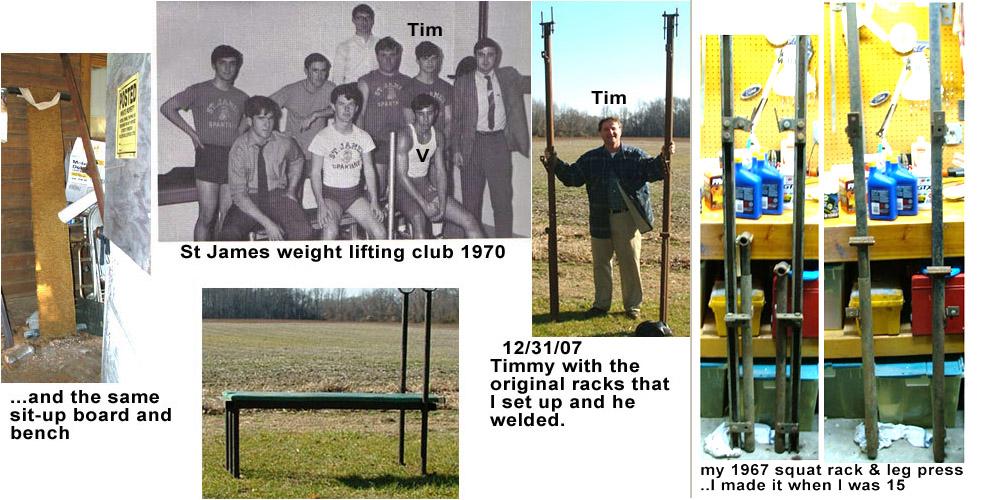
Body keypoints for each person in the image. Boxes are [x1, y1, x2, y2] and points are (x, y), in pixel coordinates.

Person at [541, 117, 673, 320]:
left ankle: (632, 306)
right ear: (600, 133)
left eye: (613, 129)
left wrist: (665, 156)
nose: (610, 133)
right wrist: (554, 163)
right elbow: (572, 177)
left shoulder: (634, 156)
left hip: (626, 219)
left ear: (620, 131)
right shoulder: (591, 158)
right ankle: (601, 304)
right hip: (599, 217)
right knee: (601, 263)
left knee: (629, 263)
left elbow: (654, 170)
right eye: (605, 129)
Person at [160, 44, 249, 240]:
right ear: (214, 65)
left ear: (237, 67)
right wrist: (192, 133)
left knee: (226, 217)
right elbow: (167, 108)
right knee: (207, 217)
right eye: (223, 63)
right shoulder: (198, 90)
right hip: (208, 155)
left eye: (232, 64)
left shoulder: (241, 97)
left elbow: (250, 122)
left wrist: (240, 133)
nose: (227, 68)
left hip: (232, 157)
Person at [453, 37, 530, 238]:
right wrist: (456, 150)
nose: (485, 60)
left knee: (502, 201)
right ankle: (472, 248)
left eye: (490, 55)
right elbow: (456, 121)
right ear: (475, 57)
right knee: (470, 204)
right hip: (472, 145)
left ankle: (503, 246)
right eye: (481, 55)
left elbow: (531, 83)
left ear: (496, 57)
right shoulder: (462, 83)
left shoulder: (508, 77)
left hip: (498, 144)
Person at [219, 96, 313, 241]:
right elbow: (239, 195)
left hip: (277, 196)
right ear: (250, 121)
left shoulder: (284, 142)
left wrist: (292, 190)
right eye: (261, 118)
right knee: (228, 235)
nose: (267, 124)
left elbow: (298, 159)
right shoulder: (239, 149)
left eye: (270, 118)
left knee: (304, 232)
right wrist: (268, 224)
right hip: (249, 198)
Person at [393, 94, 484, 239]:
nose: (425, 119)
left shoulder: (438, 136)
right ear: (414, 114)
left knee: (470, 221)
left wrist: (442, 205)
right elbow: (401, 176)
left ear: (436, 113)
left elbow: (441, 171)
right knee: (419, 223)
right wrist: (424, 205)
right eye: (421, 114)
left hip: (424, 185)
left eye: (429, 113)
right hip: (402, 189)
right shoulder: (405, 136)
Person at [308, 84, 387, 240]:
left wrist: (375, 201)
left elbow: (369, 170)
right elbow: (315, 173)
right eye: (342, 104)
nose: (346, 109)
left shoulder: (363, 137)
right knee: (330, 233)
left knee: (380, 233)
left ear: (357, 108)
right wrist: (320, 204)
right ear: (333, 107)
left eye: (351, 105)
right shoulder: (322, 137)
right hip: (331, 196)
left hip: (355, 196)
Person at [270, 53, 337, 199]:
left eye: (323, 71)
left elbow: (340, 108)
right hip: (295, 153)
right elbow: (266, 107)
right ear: (306, 71)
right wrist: (275, 134)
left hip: (319, 153)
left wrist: (316, 114)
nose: (320, 76)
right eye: (315, 70)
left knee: (327, 196)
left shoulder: (330, 88)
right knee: (293, 196)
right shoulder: (291, 90)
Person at [358, 36, 411, 200]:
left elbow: (411, 118)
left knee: (401, 191)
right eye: (383, 55)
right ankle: (369, 225)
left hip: (401, 144)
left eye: (392, 55)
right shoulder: (367, 80)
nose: (388, 60)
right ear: (377, 56)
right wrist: (360, 144)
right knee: (377, 190)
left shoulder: (408, 82)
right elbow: (359, 114)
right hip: (376, 143)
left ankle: (400, 226)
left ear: (398, 56)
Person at [401, 41, 453, 146]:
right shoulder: (408, 89)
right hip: (419, 144)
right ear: (417, 61)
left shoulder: (446, 87)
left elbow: (449, 120)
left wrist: (442, 143)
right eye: (425, 59)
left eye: (433, 58)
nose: (430, 63)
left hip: (441, 143)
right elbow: (410, 122)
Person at [332, 3, 377, 85]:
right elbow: (337, 78)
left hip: (376, 93)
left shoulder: (380, 45)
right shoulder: (344, 47)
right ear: (353, 20)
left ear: (372, 20)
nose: (364, 21)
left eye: (367, 18)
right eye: (359, 18)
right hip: (352, 94)